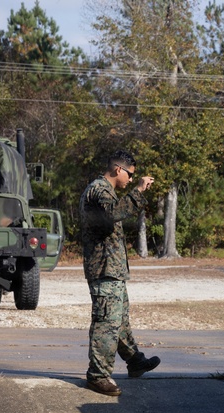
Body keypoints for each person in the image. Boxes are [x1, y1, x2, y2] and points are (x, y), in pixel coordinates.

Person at [80, 150, 161, 397]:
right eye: (130, 174)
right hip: (103, 269)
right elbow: (113, 213)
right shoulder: (99, 190)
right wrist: (137, 191)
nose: (129, 179)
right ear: (118, 170)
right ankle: (98, 376)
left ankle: (135, 360)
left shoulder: (106, 191)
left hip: (111, 270)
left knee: (119, 320)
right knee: (107, 322)